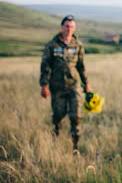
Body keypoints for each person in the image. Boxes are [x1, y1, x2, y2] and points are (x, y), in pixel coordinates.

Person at [39, 15, 91, 151]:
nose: (69, 29)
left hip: (74, 86)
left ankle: (75, 147)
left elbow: (81, 67)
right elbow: (45, 66)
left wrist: (87, 84)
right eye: (67, 26)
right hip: (57, 87)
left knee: (76, 116)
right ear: (62, 27)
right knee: (58, 116)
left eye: (72, 26)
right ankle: (55, 139)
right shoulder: (52, 45)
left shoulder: (78, 45)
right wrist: (44, 85)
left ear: (75, 28)